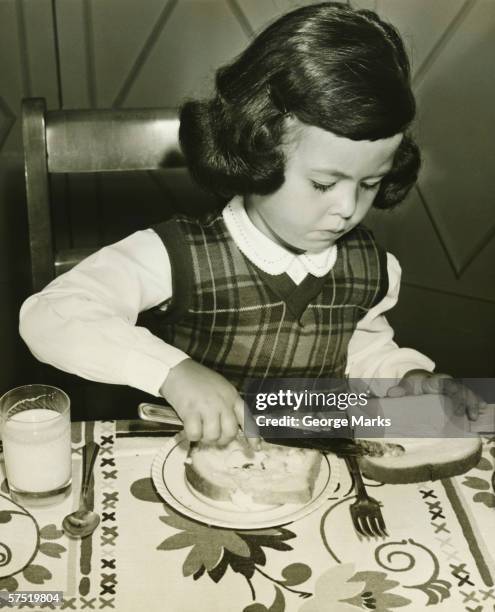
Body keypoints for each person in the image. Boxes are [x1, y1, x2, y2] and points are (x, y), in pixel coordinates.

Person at [19, 2, 483, 446]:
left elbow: (361, 351)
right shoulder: (177, 254)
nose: (348, 208)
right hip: (196, 472)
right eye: (324, 184)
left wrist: (407, 379)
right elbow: (50, 316)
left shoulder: (369, 265)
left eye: (369, 183)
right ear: (256, 150)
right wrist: (171, 371)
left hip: (320, 471)